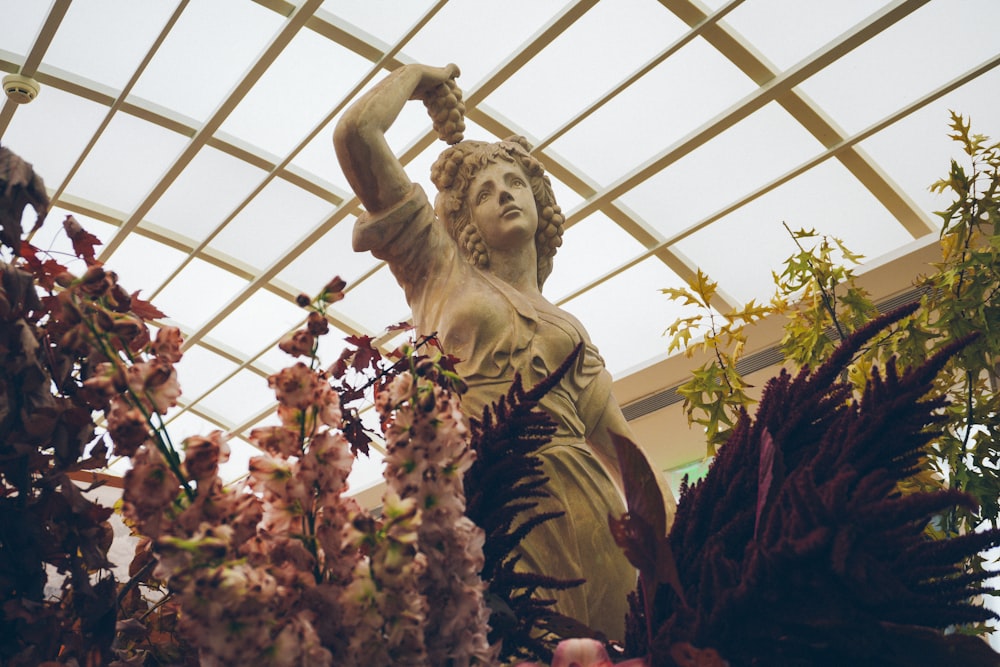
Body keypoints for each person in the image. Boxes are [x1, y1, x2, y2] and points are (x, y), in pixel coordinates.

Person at [334, 63, 671, 641]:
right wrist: (419, 78)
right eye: (484, 193)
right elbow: (357, 136)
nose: (504, 195)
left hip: (591, 512)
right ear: (464, 222)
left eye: (514, 182)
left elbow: (625, 451)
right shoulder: (439, 271)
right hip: (490, 506)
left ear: (540, 202)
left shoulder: (568, 326)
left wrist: (687, 537)